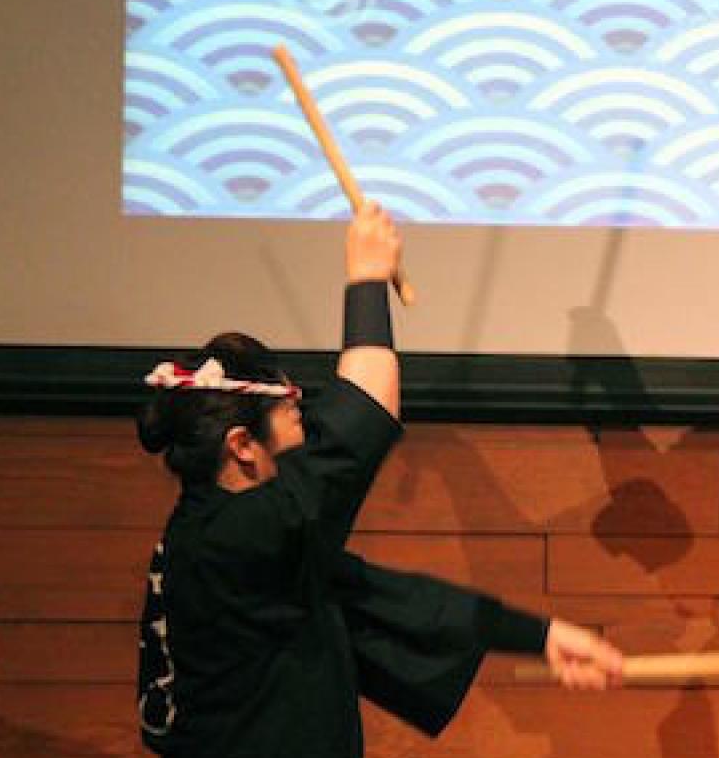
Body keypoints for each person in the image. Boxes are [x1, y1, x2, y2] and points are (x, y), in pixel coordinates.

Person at [134, 202, 623, 757]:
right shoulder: (239, 537)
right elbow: (363, 412)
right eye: (293, 414)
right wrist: (366, 278)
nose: (307, 421)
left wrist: (540, 637)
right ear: (243, 447)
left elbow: (392, 599)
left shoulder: (224, 531)